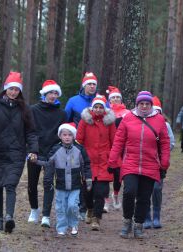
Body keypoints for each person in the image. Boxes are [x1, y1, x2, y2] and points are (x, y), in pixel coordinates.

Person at [109, 91, 170, 239]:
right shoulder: (128, 118)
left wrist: (164, 163)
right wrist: (112, 160)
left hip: (150, 164)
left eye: (147, 103)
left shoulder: (159, 120)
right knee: (129, 192)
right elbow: (119, 140)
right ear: (137, 104)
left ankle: (139, 224)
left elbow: (165, 143)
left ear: (151, 104)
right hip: (130, 162)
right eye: (141, 103)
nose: (144, 106)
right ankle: (127, 221)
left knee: (144, 196)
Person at [0, 71, 38, 233]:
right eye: (11, 89)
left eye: (16, 90)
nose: (14, 92)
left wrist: (33, 149)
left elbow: (31, 132)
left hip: (16, 154)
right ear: (6, 88)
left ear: (19, 91)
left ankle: (9, 217)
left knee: (11, 185)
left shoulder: (25, 109)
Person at [33, 123, 92, 236]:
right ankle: (61, 227)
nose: (67, 137)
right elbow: (48, 163)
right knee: (61, 207)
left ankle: (74, 224)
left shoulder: (79, 149)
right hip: (60, 185)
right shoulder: (56, 149)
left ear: (73, 136)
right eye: (64, 134)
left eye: (70, 135)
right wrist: (35, 161)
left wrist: (88, 179)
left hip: (75, 185)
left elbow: (86, 164)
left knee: (72, 206)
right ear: (60, 136)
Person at [27, 80, 67, 227]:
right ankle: (34, 209)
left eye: (56, 93)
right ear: (44, 93)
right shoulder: (33, 110)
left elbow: (63, 134)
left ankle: (46, 216)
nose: (53, 95)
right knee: (32, 183)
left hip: (52, 153)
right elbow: (30, 131)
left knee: (49, 183)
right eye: (51, 92)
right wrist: (32, 150)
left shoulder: (62, 113)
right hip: (34, 151)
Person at [76, 95, 116, 231]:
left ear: (104, 109)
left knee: (101, 192)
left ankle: (96, 218)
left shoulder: (109, 123)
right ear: (92, 108)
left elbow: (114, 141)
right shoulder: (85, 121)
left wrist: (112, 158)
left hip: (104, 161)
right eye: (96, 107)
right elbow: (79, 141)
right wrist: (80, 157)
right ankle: (90, 209)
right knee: (88, 191)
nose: (98, 109)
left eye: (101, 107)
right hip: (88, 161)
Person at [64, 72, 98, 220]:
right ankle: (79, 207)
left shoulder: (100, 101)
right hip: (77, 144)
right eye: (89, 84)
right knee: (78, 175)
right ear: (84, 85)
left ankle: (89, 206)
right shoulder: (73, 101)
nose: (92, 86)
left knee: (91, 176)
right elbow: (66, 120)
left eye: (94, 84)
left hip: (96, 145)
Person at [143, 96, 174, 230]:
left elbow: (171, 142)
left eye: (157, 111)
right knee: (144, 191)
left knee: (156, 189)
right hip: (144, 161)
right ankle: (146, 217)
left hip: (159, 163)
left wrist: (162, 152)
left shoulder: (165, 125)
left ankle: (156, 215)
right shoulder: (142, 123)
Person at [106, 86, 130, 211]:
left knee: (118, 174)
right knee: (105, 174)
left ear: (121, 100)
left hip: (122, 147)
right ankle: (106, 201)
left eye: (117, 98)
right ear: (109, 100)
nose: (115, 99)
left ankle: (115, 194)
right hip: (107, 146)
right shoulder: (105, 112)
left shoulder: (127, 113)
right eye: (113, 97)